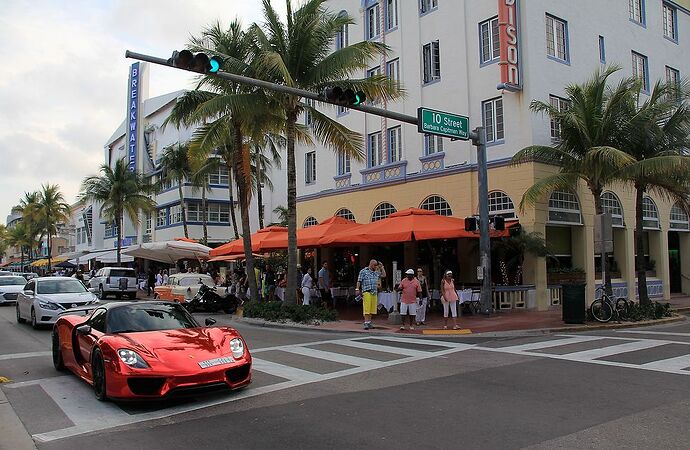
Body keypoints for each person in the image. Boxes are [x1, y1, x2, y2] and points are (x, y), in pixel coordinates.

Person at [356, 259, 381, 330]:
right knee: (367, 308)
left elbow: (383, 275)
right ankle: (366, 322)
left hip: (374, 292)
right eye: (375, 265)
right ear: (371, 264)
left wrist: (382, 267)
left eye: (376, 265)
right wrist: (357, 289)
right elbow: (359, 280)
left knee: (372, 308)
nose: (376, 266)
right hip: (367, 291)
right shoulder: (363, 271)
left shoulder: (376, 272)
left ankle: (369, 322)